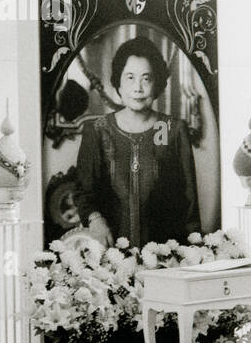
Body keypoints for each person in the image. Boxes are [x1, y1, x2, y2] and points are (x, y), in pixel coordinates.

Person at [74, 34, 201, 248]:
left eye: (146, 78)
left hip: (165, 256)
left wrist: (194, 252)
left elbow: (189, 202)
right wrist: (96, 220)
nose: (138, 88)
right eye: (130, 78)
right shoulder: (98, 130)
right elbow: (84, 192)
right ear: (118, 83)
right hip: (111, 257)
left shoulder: (173, 130)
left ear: (157, 83)